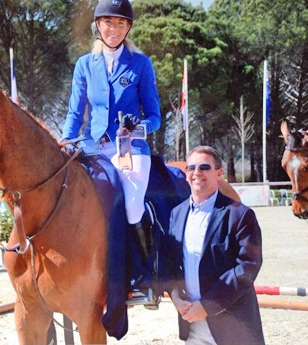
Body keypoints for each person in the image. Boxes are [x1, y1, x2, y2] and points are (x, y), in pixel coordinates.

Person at [61, 0, 161, 304]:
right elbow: (75, 111)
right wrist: (66, 139)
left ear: (127, 27)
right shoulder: (84, 65)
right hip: (93, 148)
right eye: (108, 23)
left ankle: (145, 276)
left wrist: (135, 129)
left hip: (131, 149)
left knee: (131, 206)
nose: (114, 29)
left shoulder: (141, 63)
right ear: (98, 26)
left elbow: (155, 116)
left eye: (120, 24)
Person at [160, 146, 265, 345]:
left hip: (233, 327)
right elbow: (170, 262)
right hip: (192, 327)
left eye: (204, 167)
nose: (196, 173)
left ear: (218, 174)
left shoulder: (241, 215)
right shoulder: (176, 214)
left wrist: (208, 306)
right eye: (191, 168)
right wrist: (175, 296)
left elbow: (247, 268)